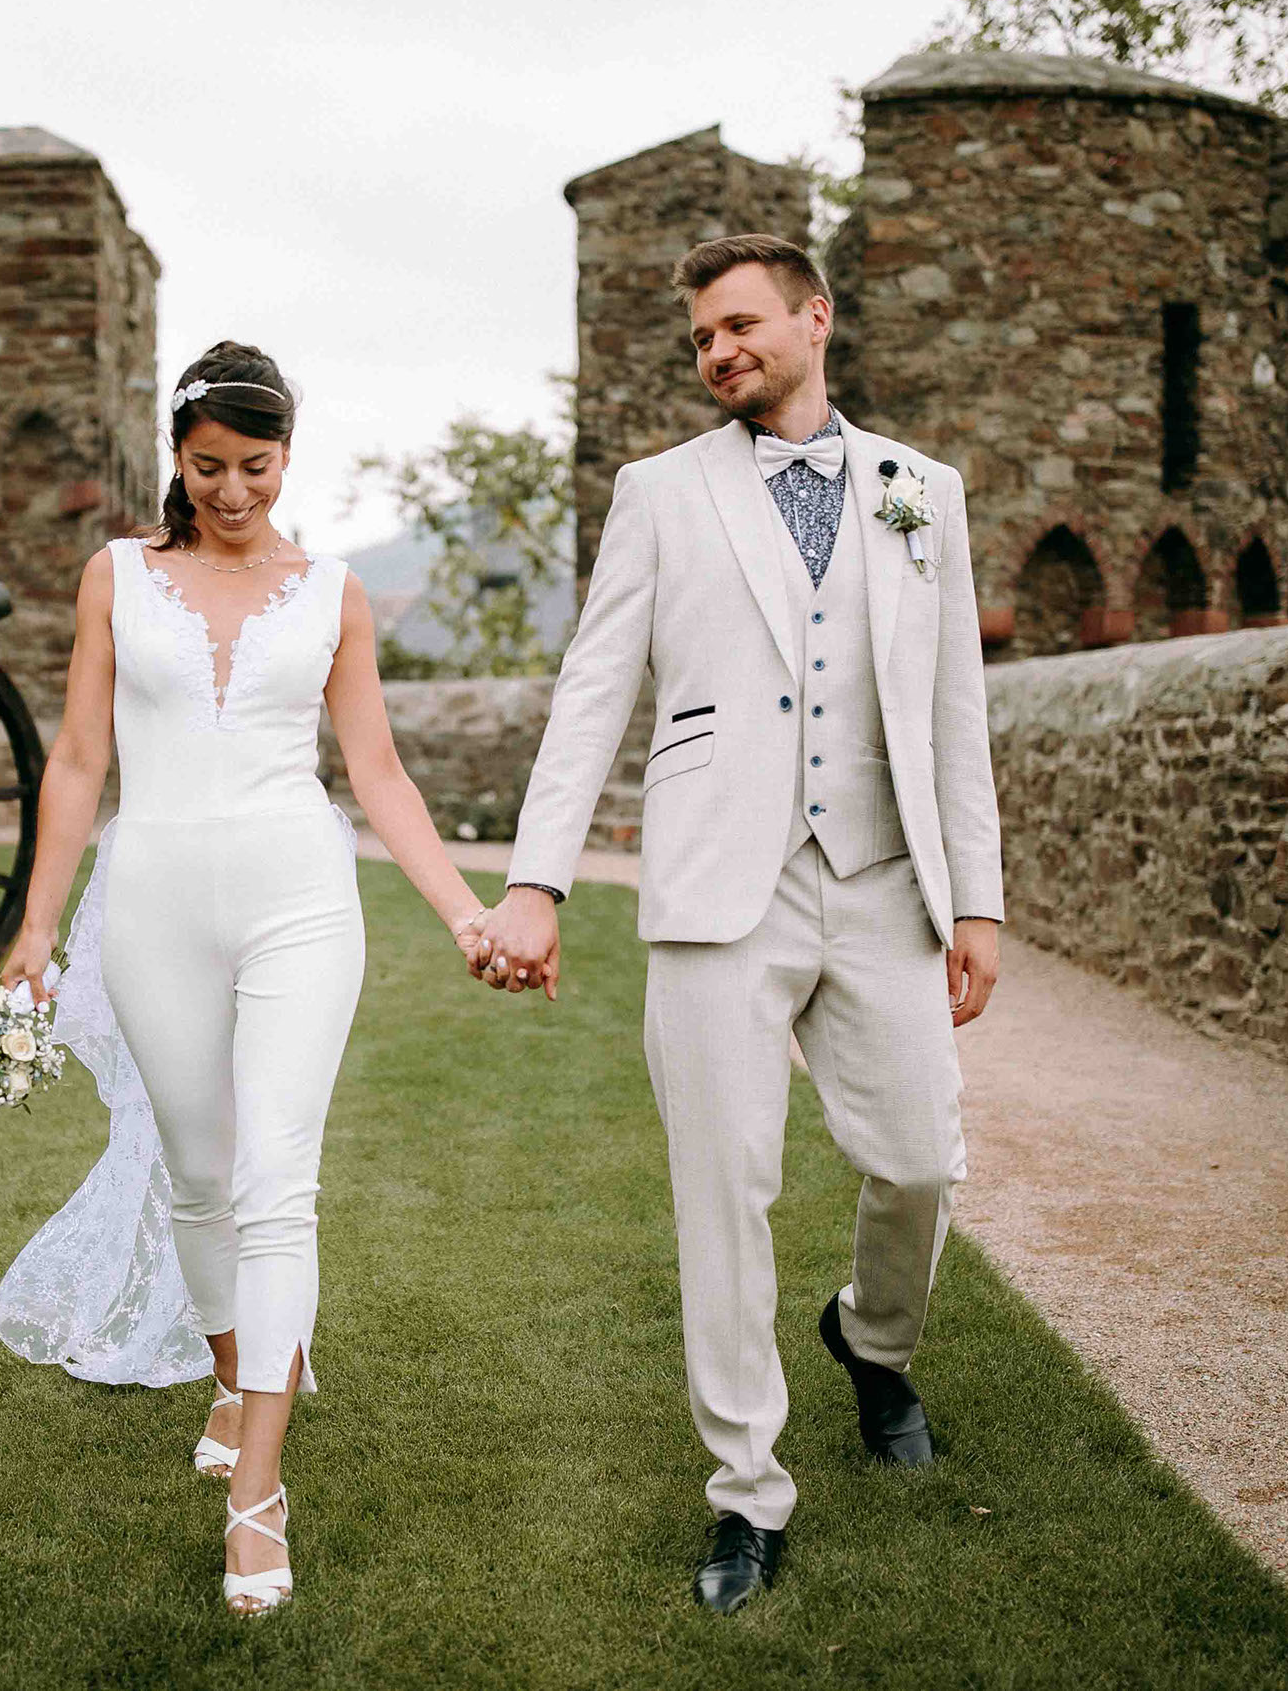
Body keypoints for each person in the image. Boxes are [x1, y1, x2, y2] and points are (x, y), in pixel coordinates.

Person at [466, 235, 1005, 1616]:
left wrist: (979, 899)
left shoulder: (919, 494)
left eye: (741, 325)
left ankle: (872, 1341)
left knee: (923, 1162)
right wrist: (538, 877)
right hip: (713, 888)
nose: (719, 352)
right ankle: (748, 1495)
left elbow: (954, 715)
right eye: (703, 337)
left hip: (884, 881)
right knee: (726, 1199)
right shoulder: (659, 493)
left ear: (816, 320)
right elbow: (596, 688)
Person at [0, 341, 489, 1617]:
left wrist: (461, 910)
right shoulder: (116, 576)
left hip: (297, 899)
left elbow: (376, 771)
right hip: (152, 899)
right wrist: (38, 926)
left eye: (254, 468)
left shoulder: (332, 594)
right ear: (176, 456)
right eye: (207, 466)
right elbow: (77, 759)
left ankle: (255, 1493)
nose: (230, 492)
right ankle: (234, 1368)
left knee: (278, 1182)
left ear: (287, 458)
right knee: (199, 1173)